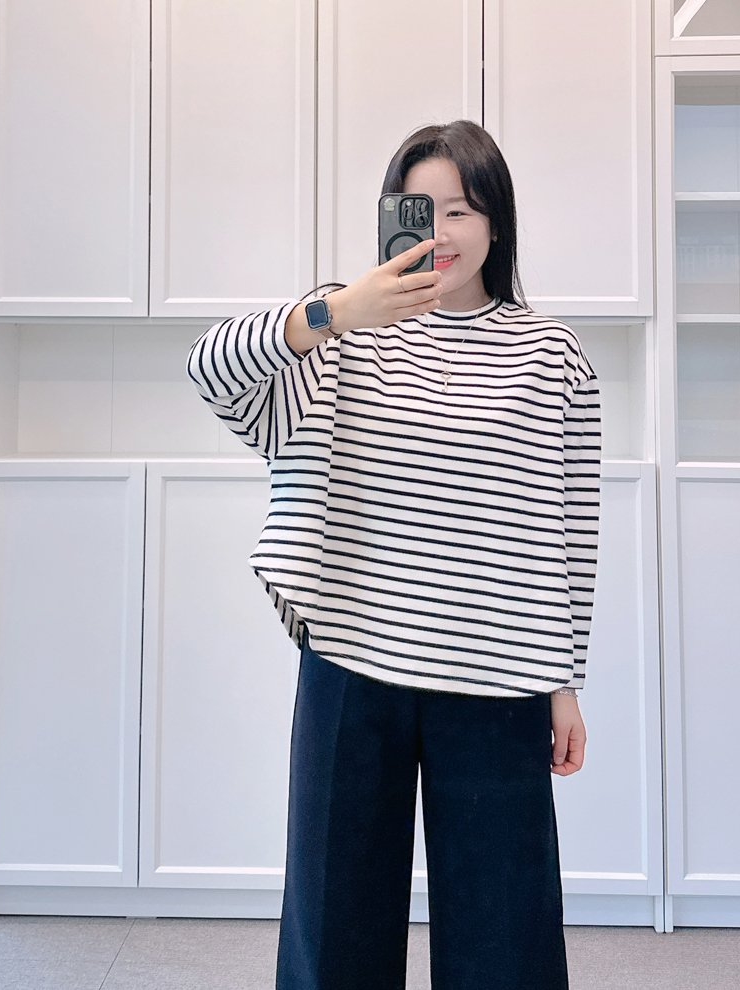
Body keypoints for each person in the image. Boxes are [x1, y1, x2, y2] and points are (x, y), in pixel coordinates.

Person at [187, 119, 601, 990]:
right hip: (353, 666)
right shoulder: (343, 330)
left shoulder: (551, 353)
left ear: (497, 222)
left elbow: (566, 530)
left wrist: (565, 683)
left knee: (507, 940)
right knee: (334, 925)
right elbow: (209, 372)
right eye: (422, 209)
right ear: (392, 215)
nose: (442, 232)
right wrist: (335, 311)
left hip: (499, 676)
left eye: (463, 209)